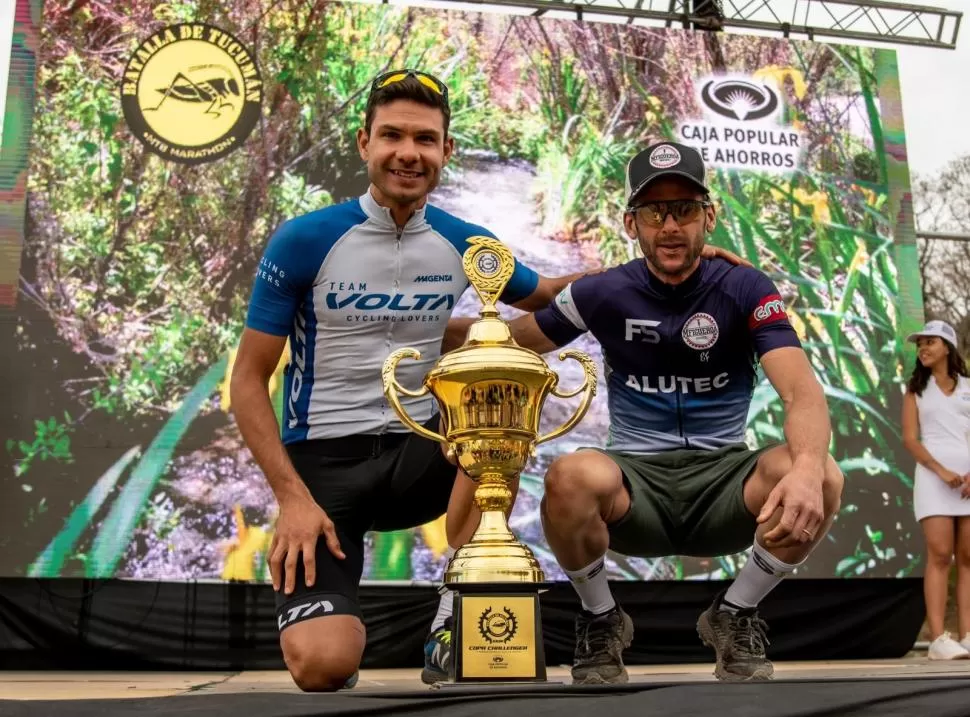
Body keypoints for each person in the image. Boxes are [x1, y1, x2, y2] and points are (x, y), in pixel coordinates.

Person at [232, 69, 748, 692]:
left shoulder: (463, 242)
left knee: (492, 417)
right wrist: (291, 498)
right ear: (363, 141)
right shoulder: (305, 240)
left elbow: (553, 294)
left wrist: (671, 254)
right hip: (323, 468)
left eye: (425, 139)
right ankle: (341, 613)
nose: (408, 153)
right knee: (324, 666)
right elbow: (247, 381)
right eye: (392, 135)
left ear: (446, 151)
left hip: (420, 448)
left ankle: (458, 613)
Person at [454, 141, 845, 683]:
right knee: (570, 476)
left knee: (821, 474)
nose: (670, 226)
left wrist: (803, 470)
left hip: (725, 485)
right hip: (636, 488)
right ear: (630, 222)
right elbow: (508, 342)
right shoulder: (605, 290)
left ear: (708, 215)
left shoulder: (745, 286)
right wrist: (409, 333)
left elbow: (802, 392)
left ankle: (733, 614)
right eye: (654, 211)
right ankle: (601, 619)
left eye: (684, 209)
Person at [901, 319, 970, 660]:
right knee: (941, 555)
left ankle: (968, 635)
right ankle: (939, 639)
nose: (923, 349)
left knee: (968, 558)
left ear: (947, 347)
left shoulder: (968, 387)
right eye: (920, 344)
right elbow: (910, 440)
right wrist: (942, 471)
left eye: (930, 342)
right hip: (933, 480)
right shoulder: (915, 390)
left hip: (968, 484)